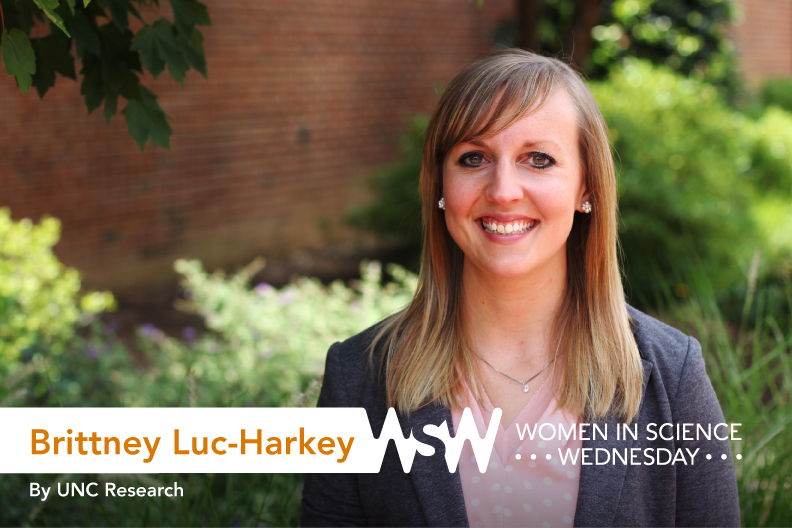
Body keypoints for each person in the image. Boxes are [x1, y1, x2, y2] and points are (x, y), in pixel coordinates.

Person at [301, 49, 740, 527]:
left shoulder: (671, 377)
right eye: (474, 158)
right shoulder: (358, 379)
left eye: (538, 159)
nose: (504, 189)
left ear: (586, 188)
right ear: (442, 185)